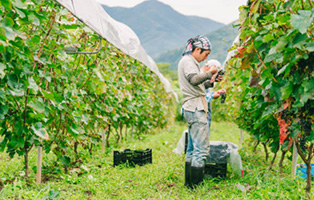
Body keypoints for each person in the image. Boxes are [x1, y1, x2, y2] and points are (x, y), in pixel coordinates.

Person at [178, 35, 218, 188]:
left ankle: (189, 184)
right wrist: (209, 72)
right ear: (197, 49)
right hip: (195, 108)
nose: (205, 58)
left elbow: (197, 85)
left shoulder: (190, 62)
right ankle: (195, 187)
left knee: (193, 148)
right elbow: (194, 80)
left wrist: (211, 81)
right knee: (202, 149)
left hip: (191, 107)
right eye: (205, 54)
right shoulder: (188, 61)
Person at [201, 59, 226, 137]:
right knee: (202, 138)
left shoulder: (203, 76)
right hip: (200, 113)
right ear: (212, 67)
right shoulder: (200, 76)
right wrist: (212, 95)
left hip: (203, 112)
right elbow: (200, 97)